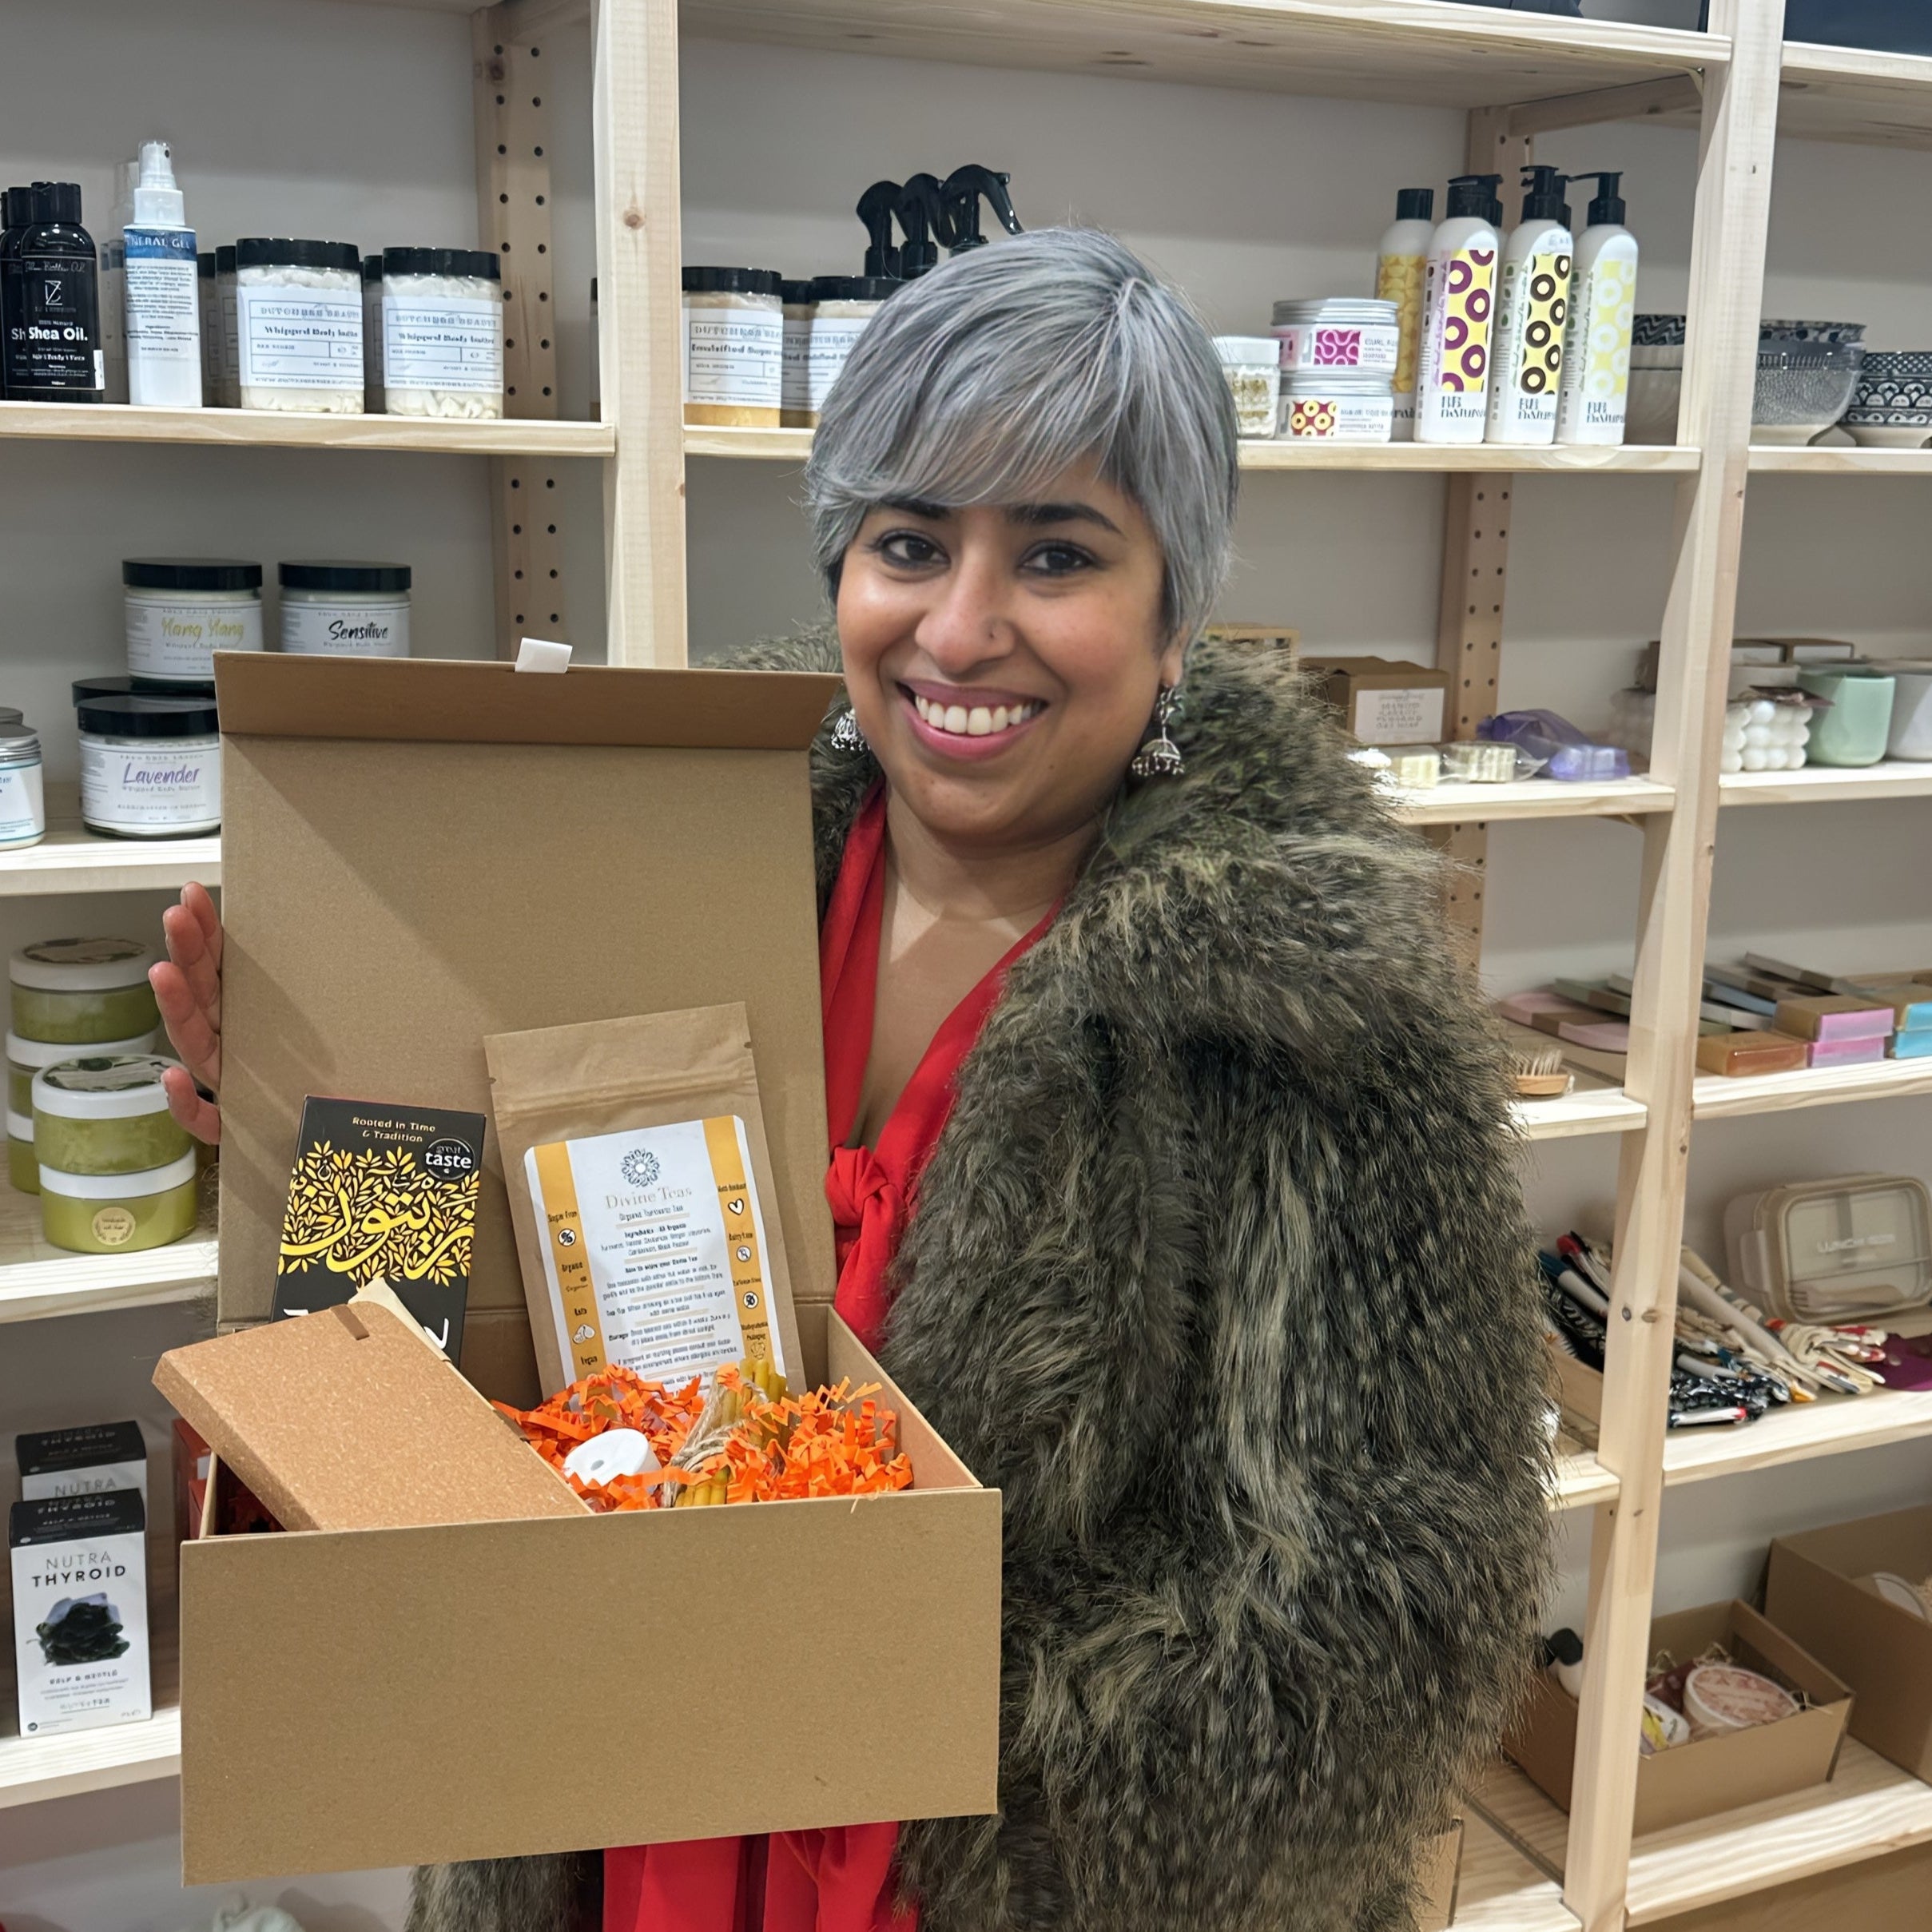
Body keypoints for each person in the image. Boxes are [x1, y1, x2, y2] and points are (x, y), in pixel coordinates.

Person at [156, 230, 1551, 1932]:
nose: (961, 631)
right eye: (908, 543)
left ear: (1175, 617)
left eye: (1056, 554)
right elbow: (440, 1303)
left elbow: (1386, 1608)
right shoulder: (660, 850)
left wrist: (872, 1678)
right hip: (600, 1815)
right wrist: (306, 1138)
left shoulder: (1313, 1017)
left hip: (982, 1875)